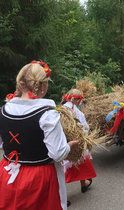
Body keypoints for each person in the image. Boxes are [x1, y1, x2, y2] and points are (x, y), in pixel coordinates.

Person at [0, 61, 78, 210]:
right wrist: (69, 146)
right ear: (43, 86)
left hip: (7, 174)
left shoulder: (3, 110)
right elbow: (58, 153)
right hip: (38, 179)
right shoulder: (47, 113)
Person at [62, 89, 96, 194]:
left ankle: (81, 185)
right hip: (77, 141)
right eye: (80, 99)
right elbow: (85, 126)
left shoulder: (61, 109)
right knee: (81, 160)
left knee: (65, 165)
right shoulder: (76, 111)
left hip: (64, 141)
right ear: (76, 100)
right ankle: (81, 184)